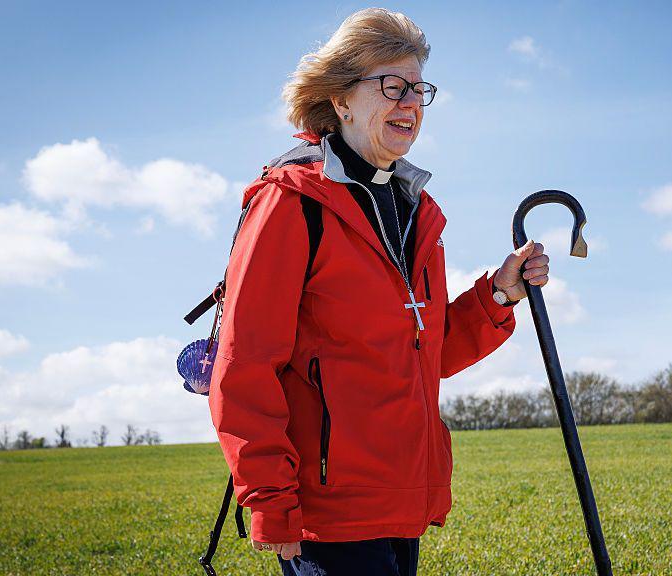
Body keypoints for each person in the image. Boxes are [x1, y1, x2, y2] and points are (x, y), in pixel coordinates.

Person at [207, 8, 551, 575]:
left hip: (400, 501)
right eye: (393, 86)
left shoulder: (416, 211)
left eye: (419, 89)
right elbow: (244, 367)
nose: (410, 102)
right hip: (327, 515)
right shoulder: (292, 204)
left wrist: (498, 296)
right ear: (341, 99)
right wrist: (270, 503)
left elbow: (422, 352)